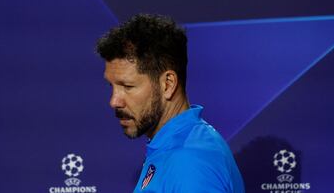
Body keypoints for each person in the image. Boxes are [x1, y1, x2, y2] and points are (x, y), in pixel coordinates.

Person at [96, 14, 245, 193]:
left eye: (127, 86)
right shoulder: (174, 146)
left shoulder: (190, 162)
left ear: (168, 84)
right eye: (111, 86)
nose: (114, 101)